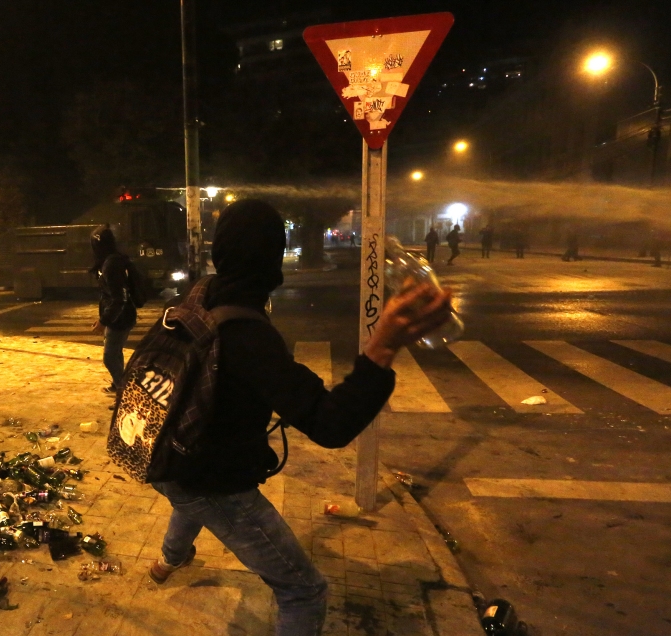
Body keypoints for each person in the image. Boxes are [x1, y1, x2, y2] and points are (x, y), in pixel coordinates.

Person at [147, 200, 453, 634]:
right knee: (304, 591)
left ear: (221, 254)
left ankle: (167, 561)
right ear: (274, 259)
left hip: (163, 456)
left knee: (189, 499)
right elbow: (330, 425)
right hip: (209, 477)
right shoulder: (247, 334)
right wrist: (382, 347)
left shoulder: (195, 298)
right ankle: (171, 557)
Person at [90, 226, 136, 396]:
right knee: (116, 353)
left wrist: (104, 321)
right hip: (120, 315)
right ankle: (119, 386)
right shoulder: (112, 261)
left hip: (120, 318)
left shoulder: (111, 264)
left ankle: (125, 391)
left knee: (109, 357)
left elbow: (119, 298)